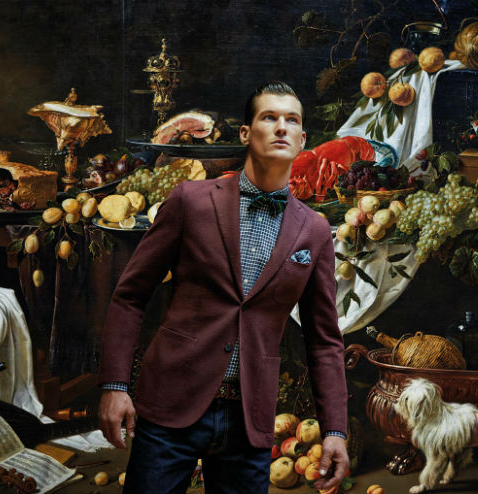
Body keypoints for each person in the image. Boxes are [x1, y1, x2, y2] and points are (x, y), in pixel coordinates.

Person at [98, 81, 349, 494]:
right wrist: (114, 385)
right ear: (246, 133)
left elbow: (324, 341)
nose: (281, 127)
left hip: (249, 418)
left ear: (303, 140)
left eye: (292, 120)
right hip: (171, 402)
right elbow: (130, 296)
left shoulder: (315, 231)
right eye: (269, 117)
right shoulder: (190, 201)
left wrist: (335, 430)